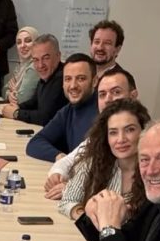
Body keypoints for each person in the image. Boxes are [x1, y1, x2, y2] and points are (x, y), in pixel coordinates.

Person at [43, 66, 139, 201]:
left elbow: (123, 196)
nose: (108, 99)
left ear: (133, 96)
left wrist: (75, 190)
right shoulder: (99, 135)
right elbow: (66, 162)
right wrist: (57, 175)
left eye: (116, 92)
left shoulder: (146, 139)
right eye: (102, 94)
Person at [59, 98, 150, 220]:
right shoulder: (92, 163)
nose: (121, 139)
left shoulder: (153, 172)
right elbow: (67, 201)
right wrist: (88, 219)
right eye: (113, 132)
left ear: (144, 131)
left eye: (130, 130)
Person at [26, 53, 98, 163]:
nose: (73, 86)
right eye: (68, 79)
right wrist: (59, 157)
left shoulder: (103, 110)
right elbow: (35, 143)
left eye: (81, 79)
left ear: (94, 81)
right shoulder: (67, 111)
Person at [1, 34, 66, 126]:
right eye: (36, 60)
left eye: (46, 58)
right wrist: (17, 107)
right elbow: (34, 102)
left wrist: (16, 113)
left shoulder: (63, 78)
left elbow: (45, 117)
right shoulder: (47, 76)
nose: (40, 65)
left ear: (58, 56)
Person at [1, 26, 40, 105]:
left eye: (28, 41)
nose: (22, 46)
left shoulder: (35, 67)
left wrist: (13, 91)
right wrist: (9, 95)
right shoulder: (20, 67)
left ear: (36, 43)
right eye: (19, 42)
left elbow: (21, 99)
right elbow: (4, 89)